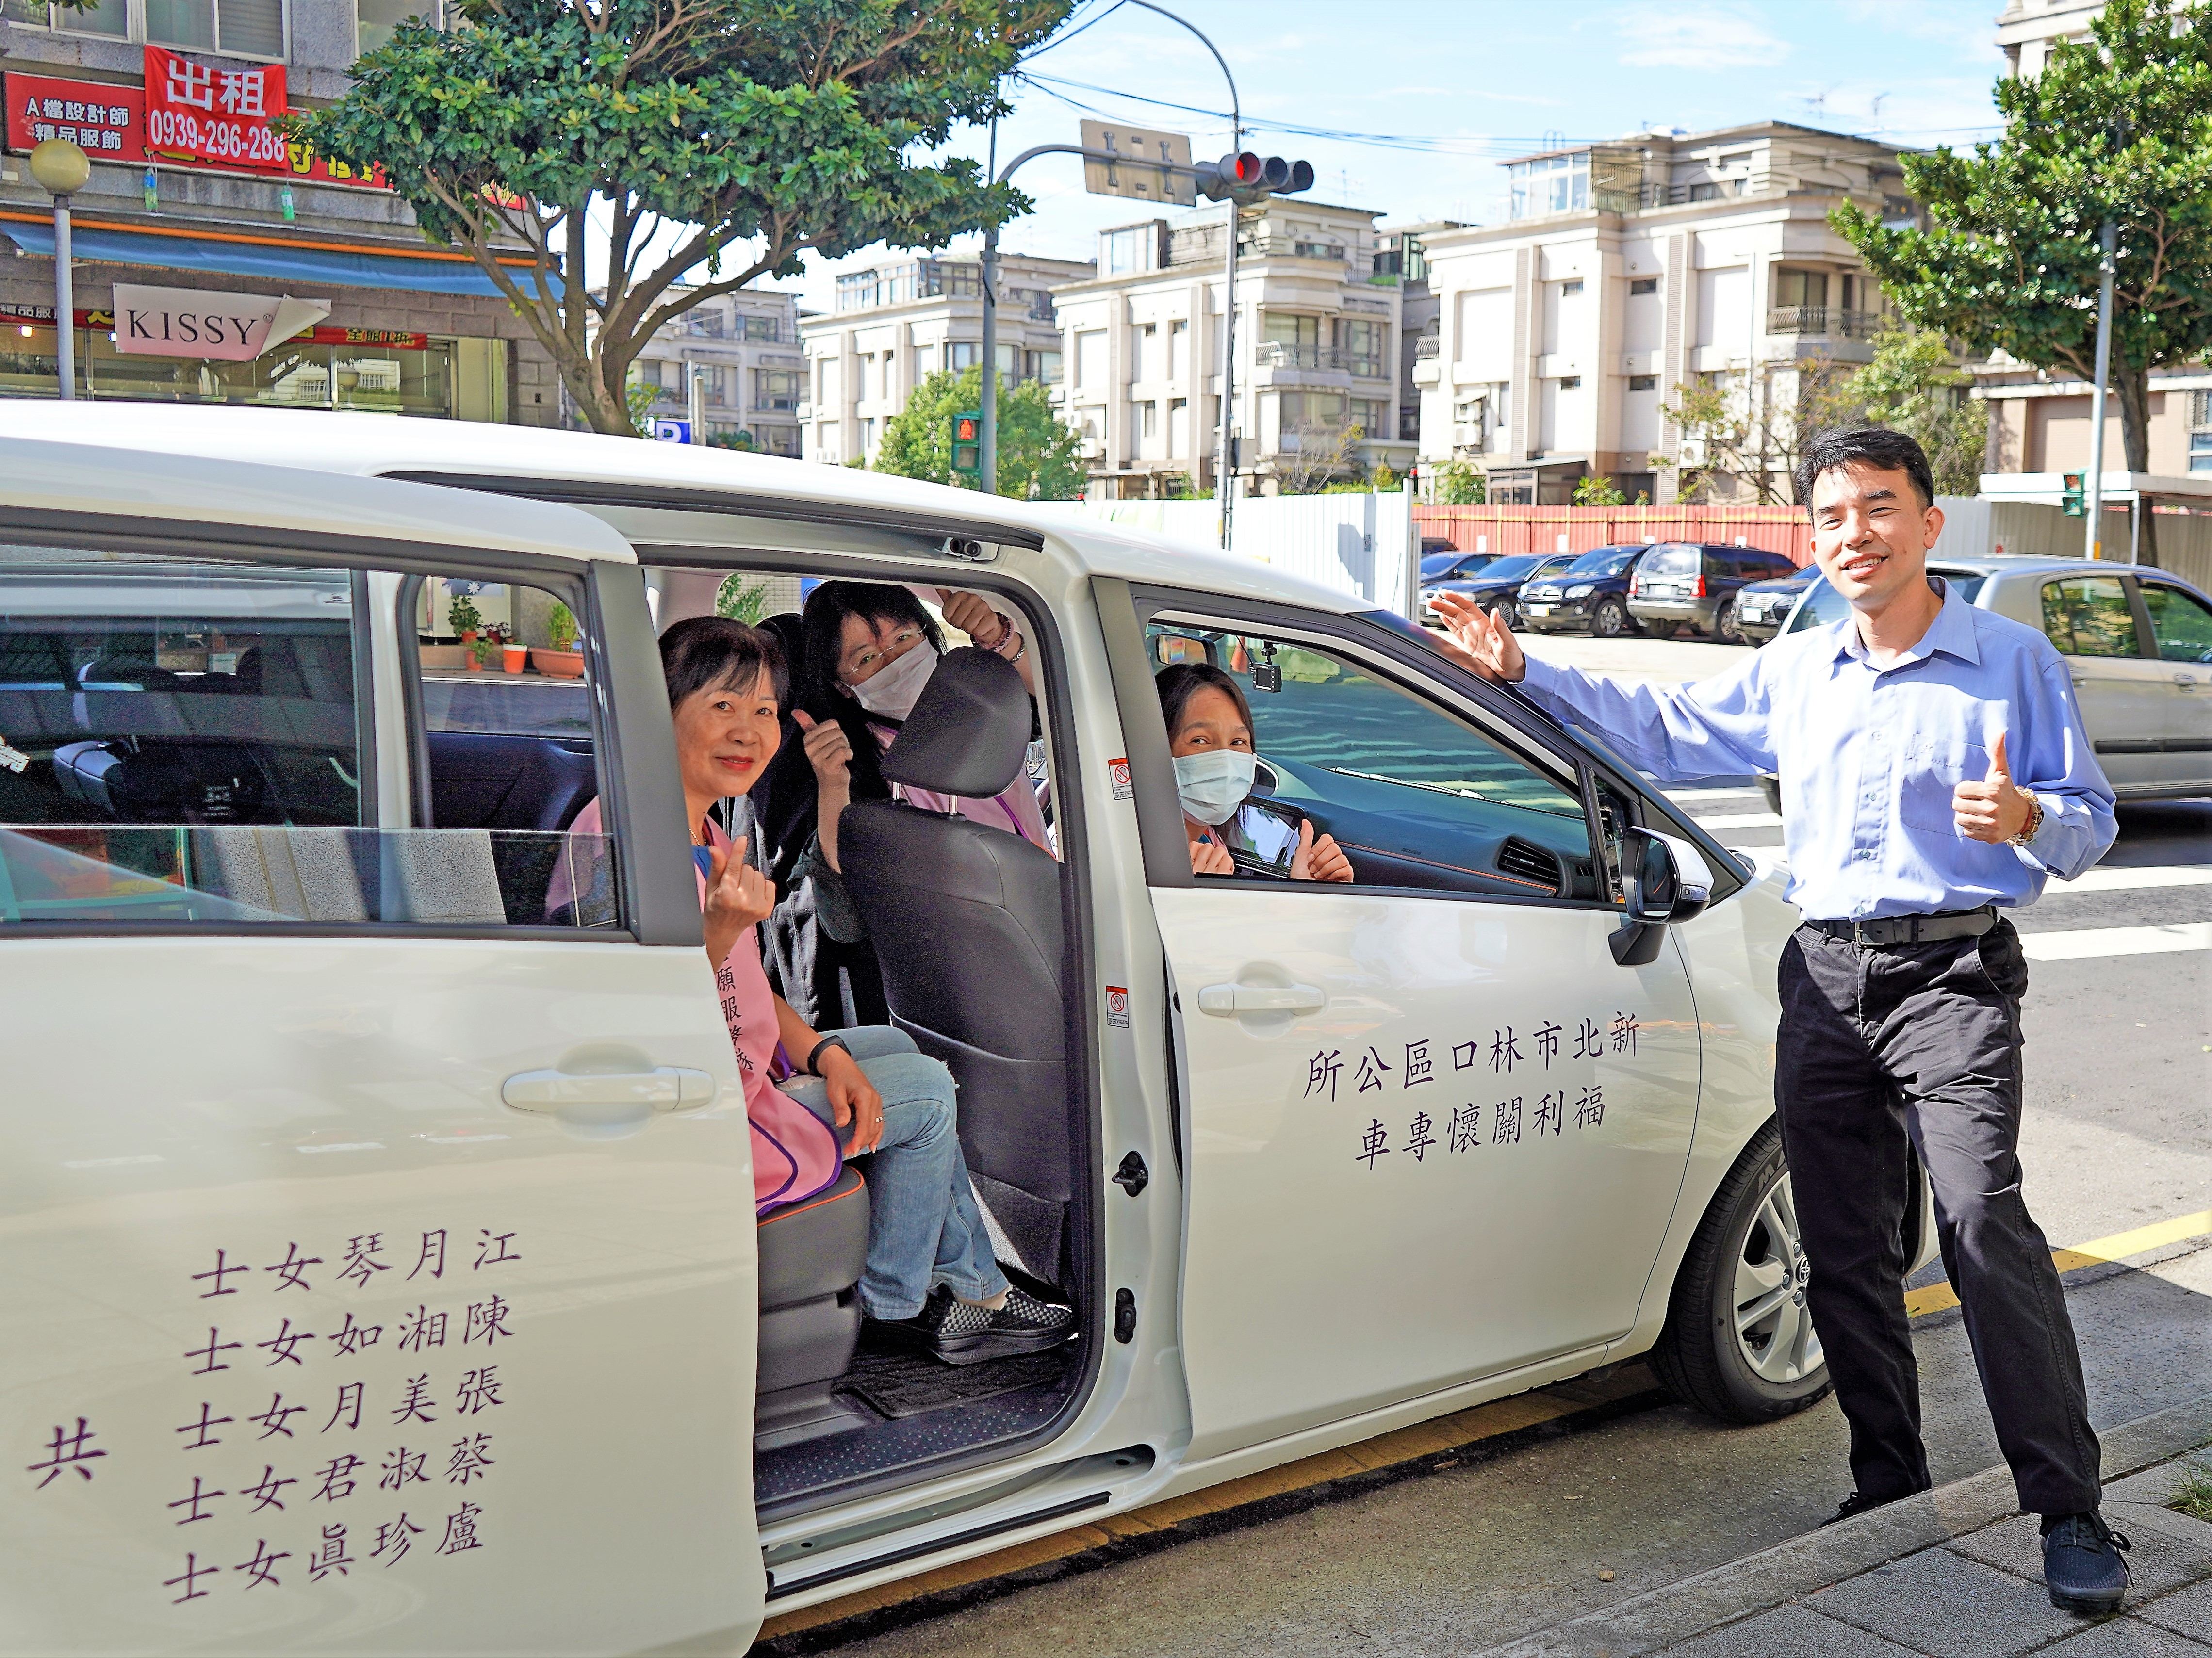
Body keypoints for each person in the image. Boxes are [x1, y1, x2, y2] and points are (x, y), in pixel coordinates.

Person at [1432, 428, 2130, 1617]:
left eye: (1877, 507)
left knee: (1977, 1221)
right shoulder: (1798, 666)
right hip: (1825, 976)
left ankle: (2068, 1508)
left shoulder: (2010, 659)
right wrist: (1523, 673)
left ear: (1926, 525)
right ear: (1813, 542)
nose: (1853, 532)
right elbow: (1660, 731)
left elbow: (2088, 819)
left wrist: (2023, 813)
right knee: (1842, 1246)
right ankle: (1888, 1478)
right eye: (1831, 517)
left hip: (1951, 975)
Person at [576, 616, 1072, 1363]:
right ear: (658, 709)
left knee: (889, 1048)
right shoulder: (624, 850)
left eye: (764, 711)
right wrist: (715, 936)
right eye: (722, 707)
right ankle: (904, 1300)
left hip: (738, 1066)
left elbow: (746, 989)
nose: (748, 729)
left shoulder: (699, 830)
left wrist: (827, 1056)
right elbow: (626, 1032)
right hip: (702, 1110)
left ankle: (971, 1285)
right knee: (927, 1095)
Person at [792, 581, 1052, 874]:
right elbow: (850, 866)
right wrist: (832, 784)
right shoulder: (852, 759)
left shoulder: (978, 697)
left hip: (1046, 888)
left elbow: (1053, 708)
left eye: (903, 638)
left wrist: (997, 637)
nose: (895, 660)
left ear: (926, 633)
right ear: (843, 687)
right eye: (866, 658)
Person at [1156, 661, 1353, 881]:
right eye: (1200, 740)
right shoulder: (1137, 861)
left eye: (1238, 741)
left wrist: (1309, 890)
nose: (1226, 760)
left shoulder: (1211, 837)